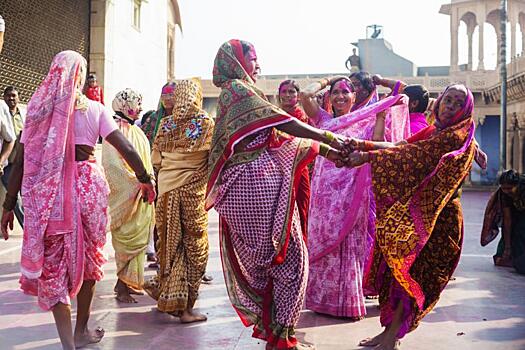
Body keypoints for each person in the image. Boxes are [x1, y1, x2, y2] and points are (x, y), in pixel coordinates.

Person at [0, 51, 156, 350]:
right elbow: (125, 147)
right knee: (89, 261)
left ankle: (67, 342)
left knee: (54, 266)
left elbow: (19, 162)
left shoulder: (37, 111)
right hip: (88, 190)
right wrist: (146, 177)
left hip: (51, 196)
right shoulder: (95, 109)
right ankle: (81, 329)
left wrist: (8, 206)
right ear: (80, 76)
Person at [207, 39, 346, 350]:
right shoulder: (238, 91)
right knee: (292, 261)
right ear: (237, 62)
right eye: (253, 59)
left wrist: (325, 149)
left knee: (274, 263)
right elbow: (283, 124)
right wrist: (326, 138)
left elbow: (275, 134)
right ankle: (281, 338)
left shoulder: (236, 93)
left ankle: (278, 335)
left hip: (249, 184)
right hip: (253, 185)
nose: (258, 65)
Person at [345, 84, 476, 350]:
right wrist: (361, 145)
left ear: (465, 109)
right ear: (438, 102)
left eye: (457, 102)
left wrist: (366, 156)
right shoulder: (435, 130)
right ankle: (387, 332)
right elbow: (402, 145)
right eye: (447, 99)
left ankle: (392, 337)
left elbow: (409, 156)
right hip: (416, 213)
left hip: (437, 219)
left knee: (409, 275)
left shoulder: (454, 136)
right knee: (395, 270)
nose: (450, 105)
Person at [299, 76, 410, 319]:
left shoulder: (365, 119)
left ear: (354, 97)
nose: (340, 96)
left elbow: (377, 143)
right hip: (324, 195)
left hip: (352, 191)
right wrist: (327, 80)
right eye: (336, 92)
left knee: (349, 244)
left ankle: (346, 302)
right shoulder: (322, 120)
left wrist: (380, 115)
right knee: (323, 242)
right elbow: (305, 96)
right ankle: (320, 301)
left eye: (346, 92)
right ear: (329, 96)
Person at [143, 78, 214, 323]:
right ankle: (184, 308)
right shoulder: (205, 122)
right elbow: (212, 158)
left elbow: (157, 160)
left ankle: (166, 293)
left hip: (166, 193)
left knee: (169, 246)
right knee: (194, 246)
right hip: (191, 194)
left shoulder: (165, 124)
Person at [102, 88, 155, 303]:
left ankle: (129, 282)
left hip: (142, 195)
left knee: (140, 238)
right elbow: (113, 166)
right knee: (126, 239)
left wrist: (148, 182)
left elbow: (146, 160)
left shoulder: (137, 131)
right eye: (137, 104)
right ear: (125, 106)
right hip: (128, 195)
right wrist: (137, 184)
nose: (141, 108)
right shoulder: (114, 130)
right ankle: (121, 286)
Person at [278, 80, 310, 239]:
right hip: (277, 169)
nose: (287, 95)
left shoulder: (300, 116)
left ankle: (302, 243)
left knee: (301, 206)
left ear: (298, 96)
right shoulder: (275, 114)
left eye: (292, 91)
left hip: (298, 167)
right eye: (284, 91)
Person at [481, 170, 525, 274]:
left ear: (517, 185)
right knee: (501, 259)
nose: (506, 191)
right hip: (516, 213)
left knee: (521, 230)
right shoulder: (504, 194)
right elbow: (507, 219)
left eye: (509, 188)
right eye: (503, 188)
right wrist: (507, 247)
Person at [2, 86, 25, 226]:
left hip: (23, 162)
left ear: (18, 98)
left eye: (13, 96)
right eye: (8, 96)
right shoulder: (2, 114)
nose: (11, 98)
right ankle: (26, 227)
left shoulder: (24, 114)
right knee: (14, 198)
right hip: (7, 164)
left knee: (26, 197)